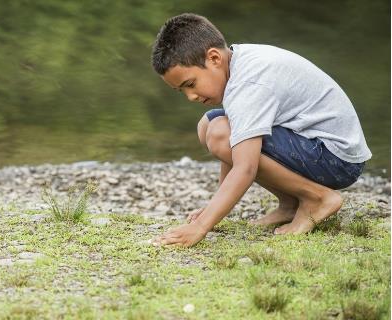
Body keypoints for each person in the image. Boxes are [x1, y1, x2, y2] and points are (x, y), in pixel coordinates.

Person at [150, 13, 372, 247]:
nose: (191, 96)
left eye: (190, 84)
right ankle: (290, 204)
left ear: (214, 58)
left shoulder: (249, 84)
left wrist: (200, 226)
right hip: (317, 146)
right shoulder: (237, 62)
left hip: (337, 159)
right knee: (209, 125)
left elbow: (245, 167)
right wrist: (215, 209)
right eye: (182, 91)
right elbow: (234, 148)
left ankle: (317, 199)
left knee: (219, 133)